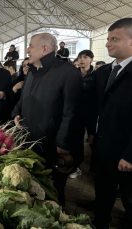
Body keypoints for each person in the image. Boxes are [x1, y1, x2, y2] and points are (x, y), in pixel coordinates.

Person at [12, 33, 81, 205]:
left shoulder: (68, 73)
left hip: (53, 146)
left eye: (31, 46)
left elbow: (71, 112)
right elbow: (23, 98)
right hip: (30, 141)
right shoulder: (33, 70)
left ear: (44, 48)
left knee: (54, 191)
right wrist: (17, 113)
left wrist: (62, 145)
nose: (28, 49)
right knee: (36, 187)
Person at [92, 18, 132, 229]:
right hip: (104, 145)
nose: (107, 43)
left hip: (127, 152)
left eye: (114, 39)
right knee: (103, 191)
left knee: (129, 197)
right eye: (107, 39)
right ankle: (100, 223)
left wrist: (130, 154)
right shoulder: (103, 72)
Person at [69, 50, 96, 179]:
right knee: (76, 140)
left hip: (91, 113)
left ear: (91, 59)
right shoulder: (73, 74)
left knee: (92, 140)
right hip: (76, 113)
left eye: (85, 57)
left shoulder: (97, 75)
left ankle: (95, 167)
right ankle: (76, 166)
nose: (81, 60)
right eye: (79, 57)